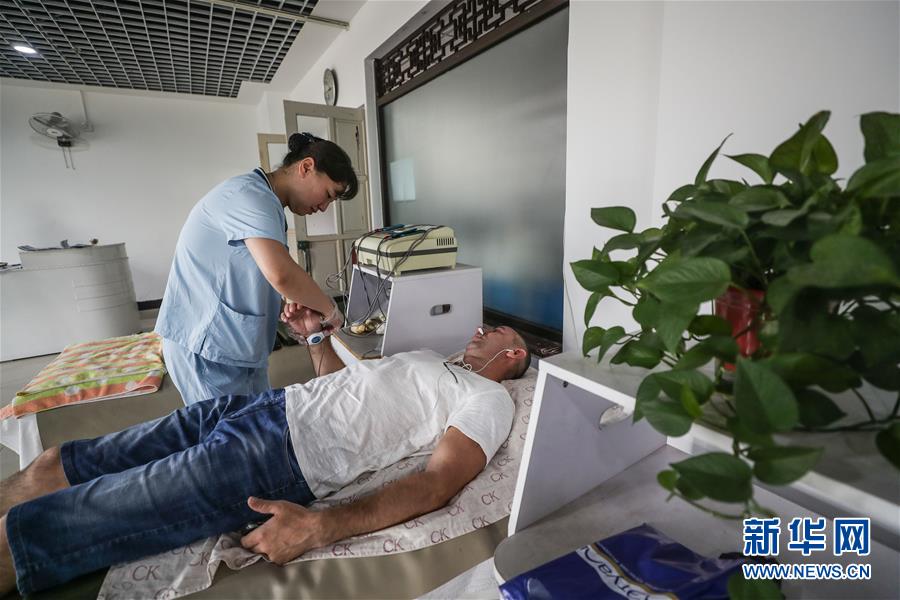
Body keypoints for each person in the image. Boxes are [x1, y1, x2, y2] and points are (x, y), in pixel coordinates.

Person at [0, 311, 532, 596]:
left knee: (63, 520)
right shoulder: (431, 359)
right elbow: (335, 383)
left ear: (513, 354)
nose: (480, 329)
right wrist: (313, 339)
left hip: (273, 457)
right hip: (252, 408)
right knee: (54, 463)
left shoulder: (486, 399)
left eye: (495, 331)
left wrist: (322, 527)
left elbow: (437, 482)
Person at [155, 132, 359, 405]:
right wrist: (332, 311)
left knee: (255, 428)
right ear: (306, 167)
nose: (323, 207)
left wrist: (290, 304)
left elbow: (258, 273)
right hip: (206, 346)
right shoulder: (247, 195)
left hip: (239, 347)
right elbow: (281, 274)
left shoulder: (267, 205)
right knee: (229, 438)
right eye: (328, 195)